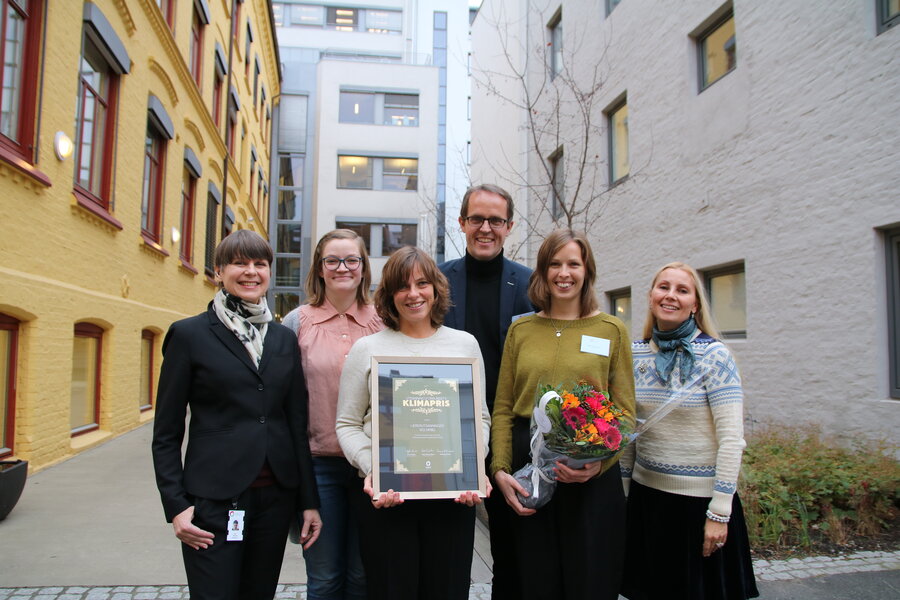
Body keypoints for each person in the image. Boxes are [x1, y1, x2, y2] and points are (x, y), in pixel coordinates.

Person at [152, 230, 321, 600]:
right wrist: (177, 506)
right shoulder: (189, 334)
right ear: (218, 271)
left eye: (260, 264)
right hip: (212, 501)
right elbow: (166, 431)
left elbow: (296, 424)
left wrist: (308, 501)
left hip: (274, 499)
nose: (251, 272)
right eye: (239, 263)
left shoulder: (282, 339)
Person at [335, 246, 491, 600]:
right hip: (388, 498)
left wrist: (472, 465)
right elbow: (346, 423)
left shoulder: (464, 345)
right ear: (389, 295)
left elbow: (479, 418)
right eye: (402, 287)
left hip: (452, 496)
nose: (414, 294)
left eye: (422, 283)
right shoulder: (367, 349)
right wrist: (375, 467)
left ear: (436, 288)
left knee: (447, 590)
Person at [490, 229, 635, 600]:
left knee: (590, 578)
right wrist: (502, 470)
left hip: (590, 473)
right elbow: (504, 408)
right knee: (533, 579)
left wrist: (598, 465)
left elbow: (626, 414)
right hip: (530, 467)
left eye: (573, 263)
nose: (563, 273)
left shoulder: (611, 330)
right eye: (554, 264)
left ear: (587, 271)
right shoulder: (521, 329)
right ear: (542, 271)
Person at [620, 262, 758, 600]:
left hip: (699, 507)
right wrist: (622, 499)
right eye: (663, 287)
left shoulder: (715, 356)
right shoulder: (635, 354)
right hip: (647, 502)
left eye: (682, 290)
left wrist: (719, 513)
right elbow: (629, 434)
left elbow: (731, 440)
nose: (671, 296)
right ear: (651, 296)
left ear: (695, 304)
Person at [439, 184, 533, 600]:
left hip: (510, 436)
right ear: (461, 223)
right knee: (448, 545)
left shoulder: (531, 284)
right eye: (476, 218)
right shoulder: (436, 280)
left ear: (509, 227)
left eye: (495, 220)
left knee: (514, 550)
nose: (485, 228)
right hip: (444, 430)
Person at [282, 229, 383, 600]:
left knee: (362, 575)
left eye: (351, 260)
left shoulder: (384, 321)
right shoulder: (296, 323)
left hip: (372, 467)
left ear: (363, 267)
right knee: (324, 578)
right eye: (332, 260)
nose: (343, 267)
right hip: (317, 467)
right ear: (320, 269)